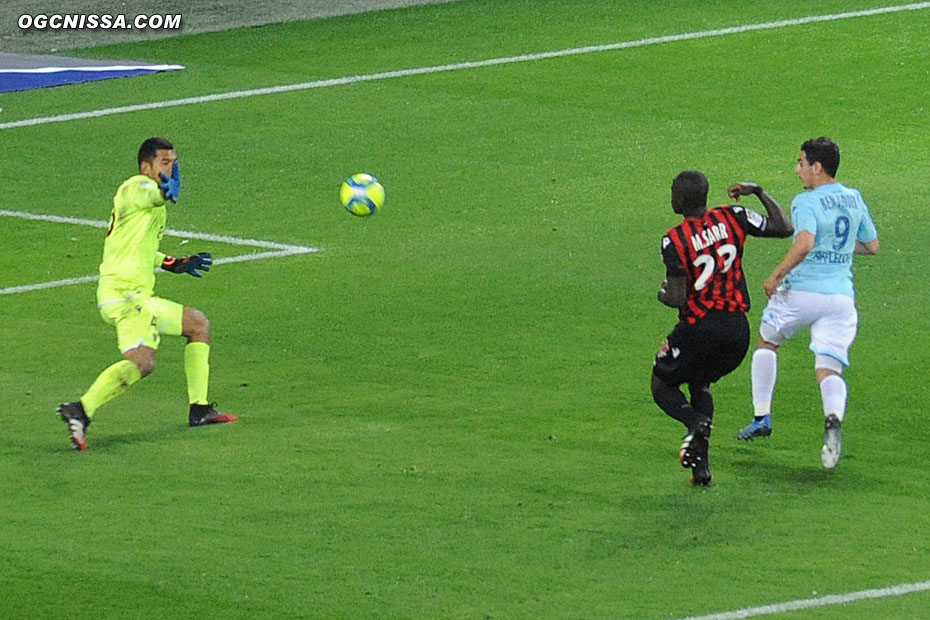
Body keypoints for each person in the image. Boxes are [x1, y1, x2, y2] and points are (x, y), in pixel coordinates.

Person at [57, 137, 236, 451]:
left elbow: (143, 249)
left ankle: (200, 409)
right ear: (146, 167)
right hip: (123, 296)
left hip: (140, 296)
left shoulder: (155, 209)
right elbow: (150, 195)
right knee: (143, 361)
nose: (171, 168)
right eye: (164, 163)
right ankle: (81, 409)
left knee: (197, 325)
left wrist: (174, 263)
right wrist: (163, 191)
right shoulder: (134, 189)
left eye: (174, 162)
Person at [736, 137, 879, 469]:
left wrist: (775, 275)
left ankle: (761, 417)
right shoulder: (854, 197)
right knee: (828, 368)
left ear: (817, 167)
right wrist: (839, 249)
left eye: (801, 163)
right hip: (841, 298)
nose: (797, 169)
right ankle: (832, 420)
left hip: (802, 292)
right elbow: (871, 246)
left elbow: (804, 243)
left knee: (767, 341)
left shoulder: (806, 201)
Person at [652, 170, 793, 486]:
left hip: (699, 328)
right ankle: (700, 471)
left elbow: (677, 297)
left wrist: (662, 294)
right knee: (699, 384)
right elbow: (784, 227)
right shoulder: (735, 216)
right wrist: (758, 190)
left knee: (661, 385)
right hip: (737, 332)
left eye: (674, 192)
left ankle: (694, 422)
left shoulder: (674, 239)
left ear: (681, 199)